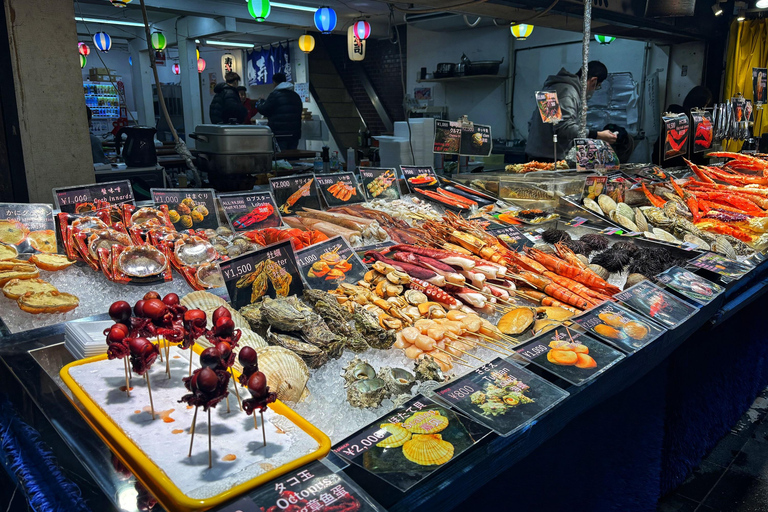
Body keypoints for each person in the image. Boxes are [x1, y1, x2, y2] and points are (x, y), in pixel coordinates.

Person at [525, 61, 617, 161]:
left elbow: (550, 125)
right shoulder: (567, 93)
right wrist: (597, 135)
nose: (594, 90)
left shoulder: (553, 88)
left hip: (536, 154)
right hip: (549, 159)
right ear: (593, 81)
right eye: (597, 86)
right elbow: (563, 128)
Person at [257, 72, 302, 150]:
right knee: (293, 158)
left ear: (274, 82)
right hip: (294, 134)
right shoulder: (295, 95)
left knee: (280, 159)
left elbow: (263, 110)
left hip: (279, 135)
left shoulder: (274, 95)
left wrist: (260, 102)